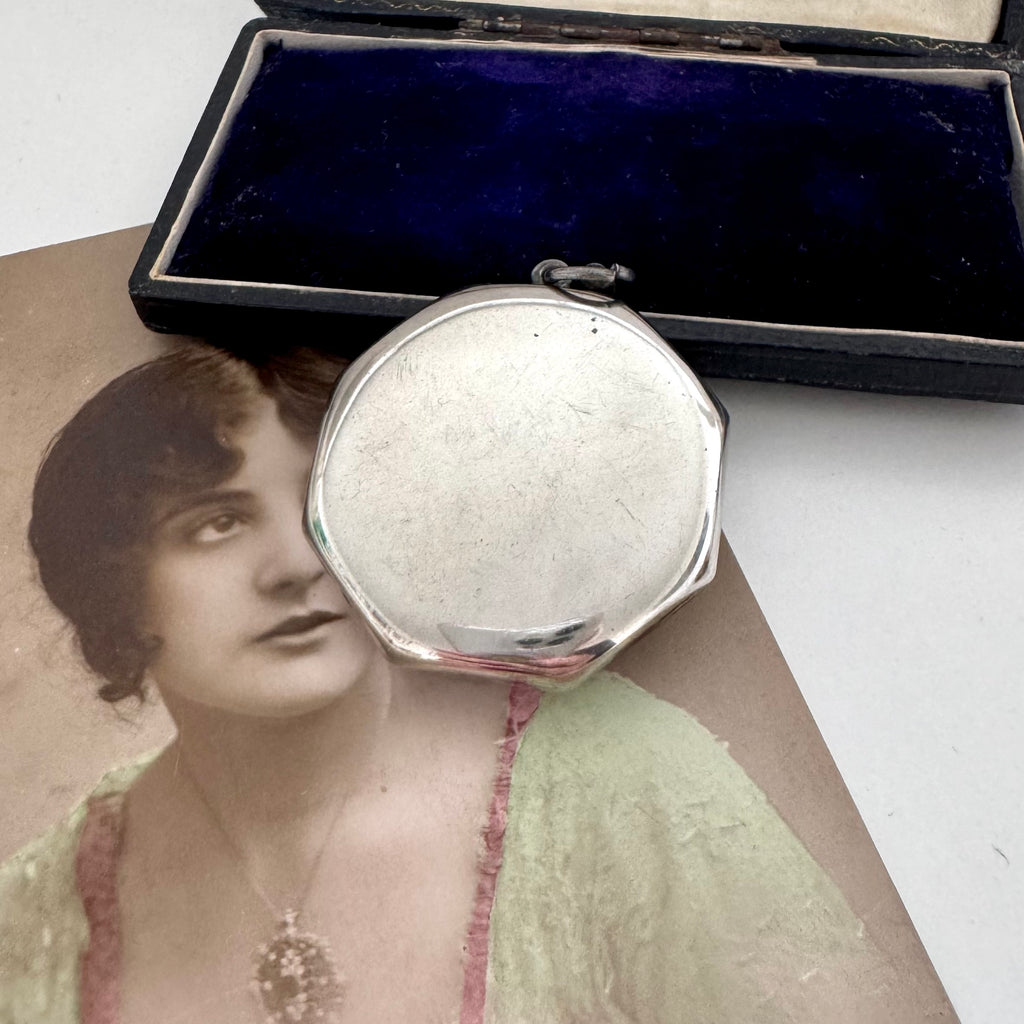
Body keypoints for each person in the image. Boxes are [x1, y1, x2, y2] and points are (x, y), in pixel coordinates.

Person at [1, 343, 902, 1024]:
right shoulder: (38, 914)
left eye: (326, 503)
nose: (296, 566)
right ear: (111, 585)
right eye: (216, 523)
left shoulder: (624, 779)